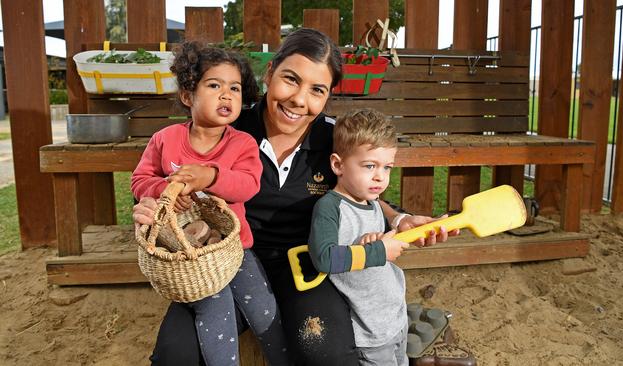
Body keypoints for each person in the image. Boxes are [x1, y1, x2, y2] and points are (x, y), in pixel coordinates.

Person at [133, 28, 457, 366]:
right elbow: (166, 179)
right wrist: (152, 203)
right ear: (270, 72)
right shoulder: (229, 130)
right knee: (175, 354)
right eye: (290, 79)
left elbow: (363, 193)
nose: (299, 100)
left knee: (322, 349)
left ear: (328, 95)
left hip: (304, 265)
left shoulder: (333, 141)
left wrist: (399, 218)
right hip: (224, 262)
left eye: (317, 90)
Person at [131, 41, 290, 366]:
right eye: (214, 85)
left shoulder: (242, 143)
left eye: (234, 87)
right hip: (191, 256)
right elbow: (139, 181)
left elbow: (247, 184)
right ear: (188, 95)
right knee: (214, 307)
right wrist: (166, 188)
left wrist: (210, 176)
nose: (226, 94)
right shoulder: (166, 139)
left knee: (263, 309)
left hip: (235, 249)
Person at [308, 108, 410, 365]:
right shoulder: (330, 208)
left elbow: (369, 245)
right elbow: (324, 257)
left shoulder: (371, 200)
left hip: (395, 316)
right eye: (369, 166)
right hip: (370, 331)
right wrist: (376, 251)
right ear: (338, 164)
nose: (380, 176)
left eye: (387, 167)